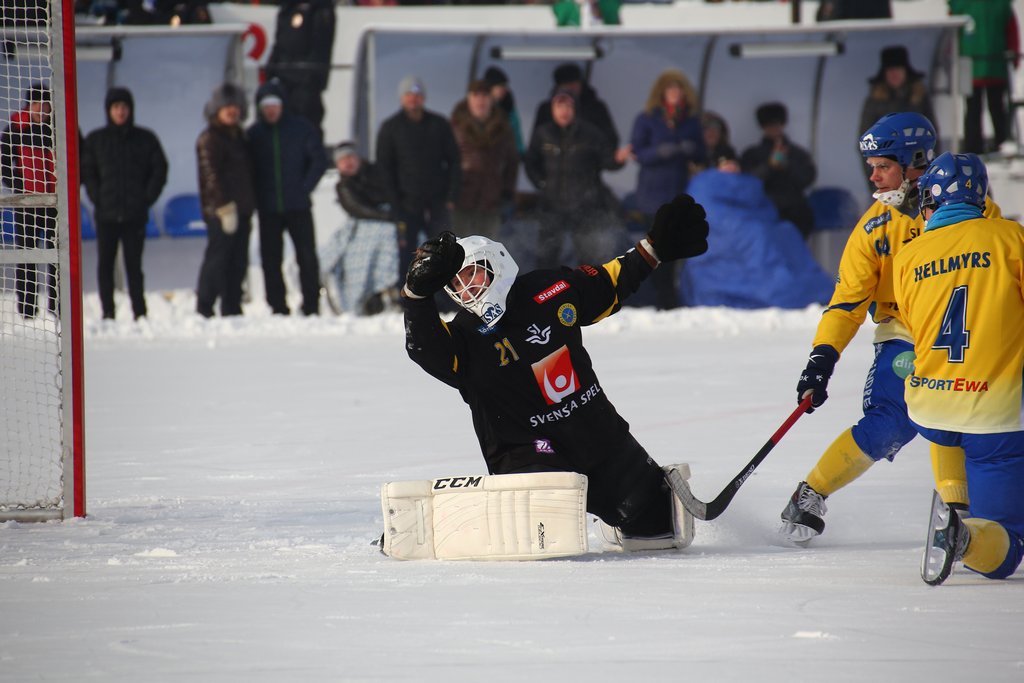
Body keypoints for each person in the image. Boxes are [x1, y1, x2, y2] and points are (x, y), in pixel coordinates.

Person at [399, 194, 709, 547]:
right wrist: (416, 297)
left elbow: (609, 282)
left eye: (471, 273)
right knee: (549, 542)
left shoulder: (551, 289)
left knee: (660, 530)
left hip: (601, 438)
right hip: (529, 456)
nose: (464, 286)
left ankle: (622, 517)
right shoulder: (464, 337)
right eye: (454, 282)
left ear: (495, 263)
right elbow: (423, 347)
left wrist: (653, 249)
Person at [777, 112, 1003, 545]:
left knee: (971, 416)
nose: (874, 178)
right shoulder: (872, 230)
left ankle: (964, 514)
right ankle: (811, 493)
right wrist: (821, 358)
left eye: (883, 167)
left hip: (966, 332)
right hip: (903, 333)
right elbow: (846, 304)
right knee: (891, 422)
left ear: (915, 162)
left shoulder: (973, 209)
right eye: (871, 168)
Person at [892, 152, 1024, 584]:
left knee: (951, 419)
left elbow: (916, 325)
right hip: (994, 414)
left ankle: (956, 504)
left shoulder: (908, 257)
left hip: (930, 406)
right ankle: (964, 537)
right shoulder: (1010, 238)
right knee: (1006, 547)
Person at [81, 87, 168, 321]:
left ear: (131, 110)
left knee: (134, 266)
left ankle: (139, 312)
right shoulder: (96, 140)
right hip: (106, 215)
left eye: (124, 107)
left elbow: (159, 169)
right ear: (108, 110)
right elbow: (87, 172)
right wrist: (96, 196)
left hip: (134, 215)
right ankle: (107, 312)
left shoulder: (145, 139)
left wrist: (146, 198)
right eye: (116, 107)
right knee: (105, 266)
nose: (120, 112)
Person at [247, 80, 327, 316]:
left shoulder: (301, 128)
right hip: (268, 208)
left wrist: (305, 187)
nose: (271, 110)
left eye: (275, 104)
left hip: (298, 205)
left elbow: (319, 160)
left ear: (283, 105)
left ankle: (311, 304)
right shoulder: (254, 134)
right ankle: (278, 306)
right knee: (270, 260)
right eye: (266, 105)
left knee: (307, 257)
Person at [628, 69, 706, 310]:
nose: (675, 93)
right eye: (670, 89)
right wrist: (661, 151)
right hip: (652, 194)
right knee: (655, 248)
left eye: (678, 89)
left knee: (672, 249)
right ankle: (659, 298)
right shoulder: (647, 118)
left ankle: (668, 299)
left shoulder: (691, 121)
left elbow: (703, 153)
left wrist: (689, 148)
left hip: (678, 191)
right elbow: (637, 152)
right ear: (662, 93)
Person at [524, 89, 626, 269]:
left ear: (575, 109)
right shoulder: (543, 133)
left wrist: (618, 160)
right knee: (546, 259)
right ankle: (545, 295)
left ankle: (586, 295)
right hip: (552, 205)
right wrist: (542, 183)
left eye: (568, 106)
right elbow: (530, 162)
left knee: (589, 260)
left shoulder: (590, 133)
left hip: (584, 205)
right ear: (552, 109)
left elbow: (607, 160)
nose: (563, 111)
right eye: (559, 106)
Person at [375, 75, 461, 279]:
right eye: (408, 95)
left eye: (417, 94)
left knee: (442, 252)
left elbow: (455, 161)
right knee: (408, 253)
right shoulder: (391, 128)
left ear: (423, 98)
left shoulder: (439, 124)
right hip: (406, 203)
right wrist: (395, 202)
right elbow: (384, 168)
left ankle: (444, 298)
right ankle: (408, 295)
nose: (413, 99)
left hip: (437, 202)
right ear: (401, 99)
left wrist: (451, 197)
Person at [195, 83, 256, 318]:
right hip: (220, 212)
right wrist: (222, 207)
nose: (232, 111)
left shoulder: (240, 137)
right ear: (216, 110)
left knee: (238, 260)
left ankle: (232, 306)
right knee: (217, 259)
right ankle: (205, 305)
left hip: (243, 208)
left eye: (235, 107)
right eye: (226, 107)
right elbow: (211, 176)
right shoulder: (210, 138)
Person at [318, 141, 399, 316]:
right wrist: (386, 217)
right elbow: (358, 209)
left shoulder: (377, 173)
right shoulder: (344, 186)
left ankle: (386, 287)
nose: (348, 163)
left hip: (387, 220)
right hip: (366, 224)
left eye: (350, 158)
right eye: (343, 160)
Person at [0, 83, 57, 318]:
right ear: (28, 105)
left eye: (45, 106)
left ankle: (57, 308)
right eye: (37, 105)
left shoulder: (57, 128)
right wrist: (20, 187)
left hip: (55, 204)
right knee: (27, 257)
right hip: (27, 204)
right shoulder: (14, 128)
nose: (41, 111)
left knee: (57, 259)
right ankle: (27, 310)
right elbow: (5, 164)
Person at [449, 79, 519, 241]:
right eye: (476, 95)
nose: (480, 100)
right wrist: (448, 195)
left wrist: (507, 194)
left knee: (487, 252)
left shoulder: (503, 128)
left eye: (485, 95)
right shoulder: (455, 126)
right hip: (461, 199)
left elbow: (512, 163)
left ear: (491, 99)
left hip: (491, 200)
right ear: (469, 99)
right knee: (459, 250)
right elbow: (445, 162)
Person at [949, 0, 1019, 154]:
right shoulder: (960, 4)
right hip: (972, 65)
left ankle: (1001, 143)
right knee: (976, 108)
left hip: (993, 63)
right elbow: (951, 34)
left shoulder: (999, 5)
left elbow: (1010, 29)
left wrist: (1013, 54)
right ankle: (975, 147)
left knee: (996, 107)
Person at [740, 102, 817, 240]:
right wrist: (769, 166)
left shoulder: (797, 153)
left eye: (777, 123)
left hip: (796, 214)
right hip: (763, 211)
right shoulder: (752, 154)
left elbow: (807, 178)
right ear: (763, 127)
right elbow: (747, 182)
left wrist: (786, 166)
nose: (774, 128)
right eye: (769, 125)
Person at [264, 0, 336, 138]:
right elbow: (279, 43)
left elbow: (320, 49)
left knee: (306, 125)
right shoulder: (287, 9)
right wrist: (270, 71)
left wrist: (309, 79)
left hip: (306, 83)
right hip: (283, 80)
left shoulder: (320, 9)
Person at [858, 46, 937, 153]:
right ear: (884, 74)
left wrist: (932, 166)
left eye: (898, 69)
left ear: (905, 71)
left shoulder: (920, 98)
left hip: (917, 162)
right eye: (890, 70)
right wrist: (875, 169)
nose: (894, 74)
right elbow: (865, 140)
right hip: (885, 162)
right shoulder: (874, 101)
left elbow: (932, 133)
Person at [530, 62, 620, 148]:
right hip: (552, 161)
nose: (571, 89)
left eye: (574, 84)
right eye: (566, 85)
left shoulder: (596, 108)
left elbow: (610, 139)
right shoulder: (546, 109)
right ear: (558, 87)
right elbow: (535, 143)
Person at [483, 66, 525, 155]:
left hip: (507, 154)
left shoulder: (509, 107)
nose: (504, 89)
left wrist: (520, 152)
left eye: (505, 86)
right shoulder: (481, 108)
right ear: (490, 88)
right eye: (500, 86)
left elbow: (516, 133)